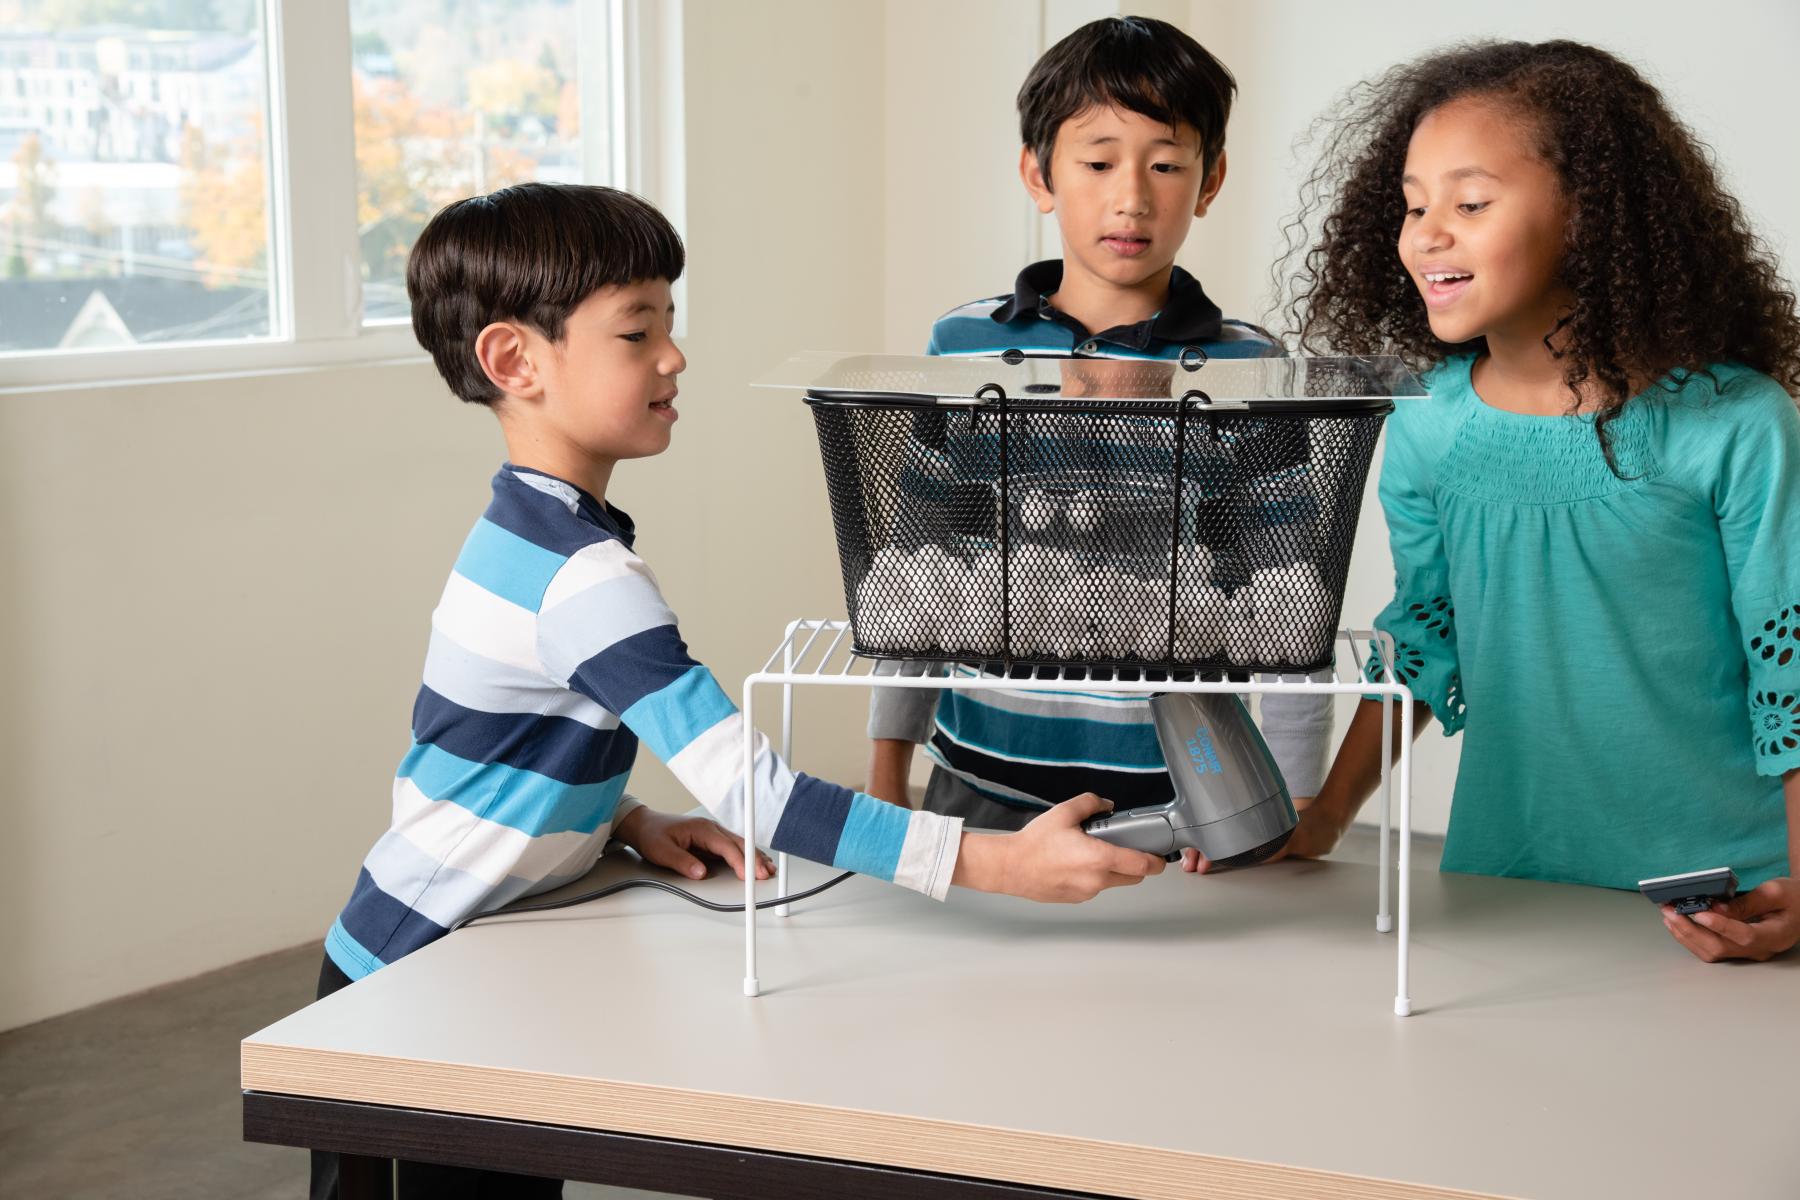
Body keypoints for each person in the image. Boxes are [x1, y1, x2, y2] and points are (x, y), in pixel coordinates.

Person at [310, 183, 1165, 1199]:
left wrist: (625, 821)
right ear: (514, 361)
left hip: (418, 957)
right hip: (420, 977)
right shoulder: (583, 580)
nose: (674, 357)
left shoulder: (522, 535)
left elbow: (484, 755)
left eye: (669, 325)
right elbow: (755, 793)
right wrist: (991, 864)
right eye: (637, 332)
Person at [1254, 39, 1800, 964]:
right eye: (1414, 205)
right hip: (1500, 884)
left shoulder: (1736, 422)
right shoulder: (1426, 425)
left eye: (1470, 203)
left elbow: (1790, 670)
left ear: (1591, 215)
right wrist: (1324, 821)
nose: (1429, 232)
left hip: (1726, 899)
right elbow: (1424, 641)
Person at [866, 16, 1335, 857]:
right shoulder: (963, 346)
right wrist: (882, 772)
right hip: (974, 787)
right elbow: (914, 571)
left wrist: (1292, 811)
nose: (1132, 196)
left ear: (1211, 178)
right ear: (1037, 174)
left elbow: (1290, 603)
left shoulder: (1249, 366)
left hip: (1179, 808)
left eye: (1166, 164)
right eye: (1097, 161)